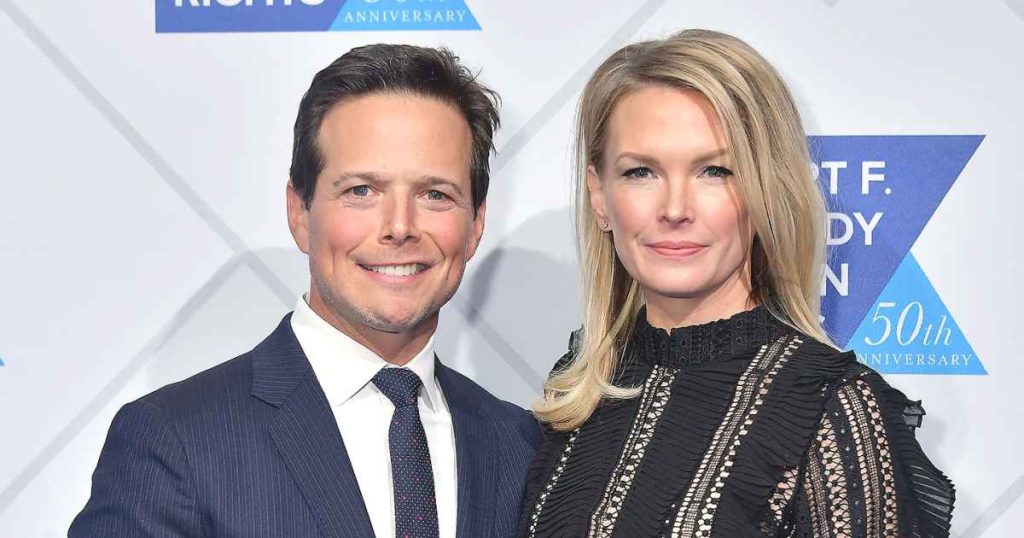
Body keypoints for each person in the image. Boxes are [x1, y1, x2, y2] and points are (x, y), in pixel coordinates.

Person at [70, 43, 540, 538]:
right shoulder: (176, 440)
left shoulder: (520, 446)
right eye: (361, 191)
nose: (400, 227)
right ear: (299, 212)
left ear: (475, 224)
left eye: (435, 194)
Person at [518, 29, 954, 537]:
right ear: (599, 195)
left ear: (767, 189)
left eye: (715, 171)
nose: (674, 209)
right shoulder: (578, 387)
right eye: (640, 172)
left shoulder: (832, 408)